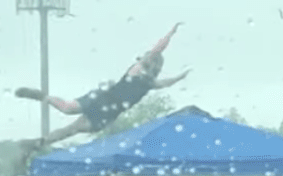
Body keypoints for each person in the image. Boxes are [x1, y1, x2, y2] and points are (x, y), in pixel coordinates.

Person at [15, 22, 191, 166]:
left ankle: (35, 144)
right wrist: (170, 34)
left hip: (110, 113)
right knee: (67, 109)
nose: (152, 64)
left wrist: (180, 77)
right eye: (151, 61)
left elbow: (166, 83)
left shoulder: (150, 84)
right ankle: (42, 97)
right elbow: (157, 50)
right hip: (103, 99)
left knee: (71, 130)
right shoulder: (137, 69)